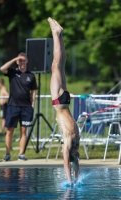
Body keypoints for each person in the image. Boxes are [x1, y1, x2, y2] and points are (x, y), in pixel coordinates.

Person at [48, 18, 80, 184]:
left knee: (62, 64)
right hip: (59, 103)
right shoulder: (69, 139)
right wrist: (70, 182)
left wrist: (76, 178)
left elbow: (76, 164)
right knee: (55, 65)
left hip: (65, 100)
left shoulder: (77, 137)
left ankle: (59, 35)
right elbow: (67, 163)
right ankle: (56, 34)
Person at [0, 52, 38, 161]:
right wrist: (15, 58)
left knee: (24, 130)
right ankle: (7, 154)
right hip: (13, 106)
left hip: (26, 107)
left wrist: (33, 104)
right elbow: (2, 68)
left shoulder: (31, 75)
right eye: (20, 60)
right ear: (17, 61)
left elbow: (33, 91)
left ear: (27, 61)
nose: (22, 62)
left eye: (24, 60)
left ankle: (21, 154)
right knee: (10, 130)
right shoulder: (12, 72)